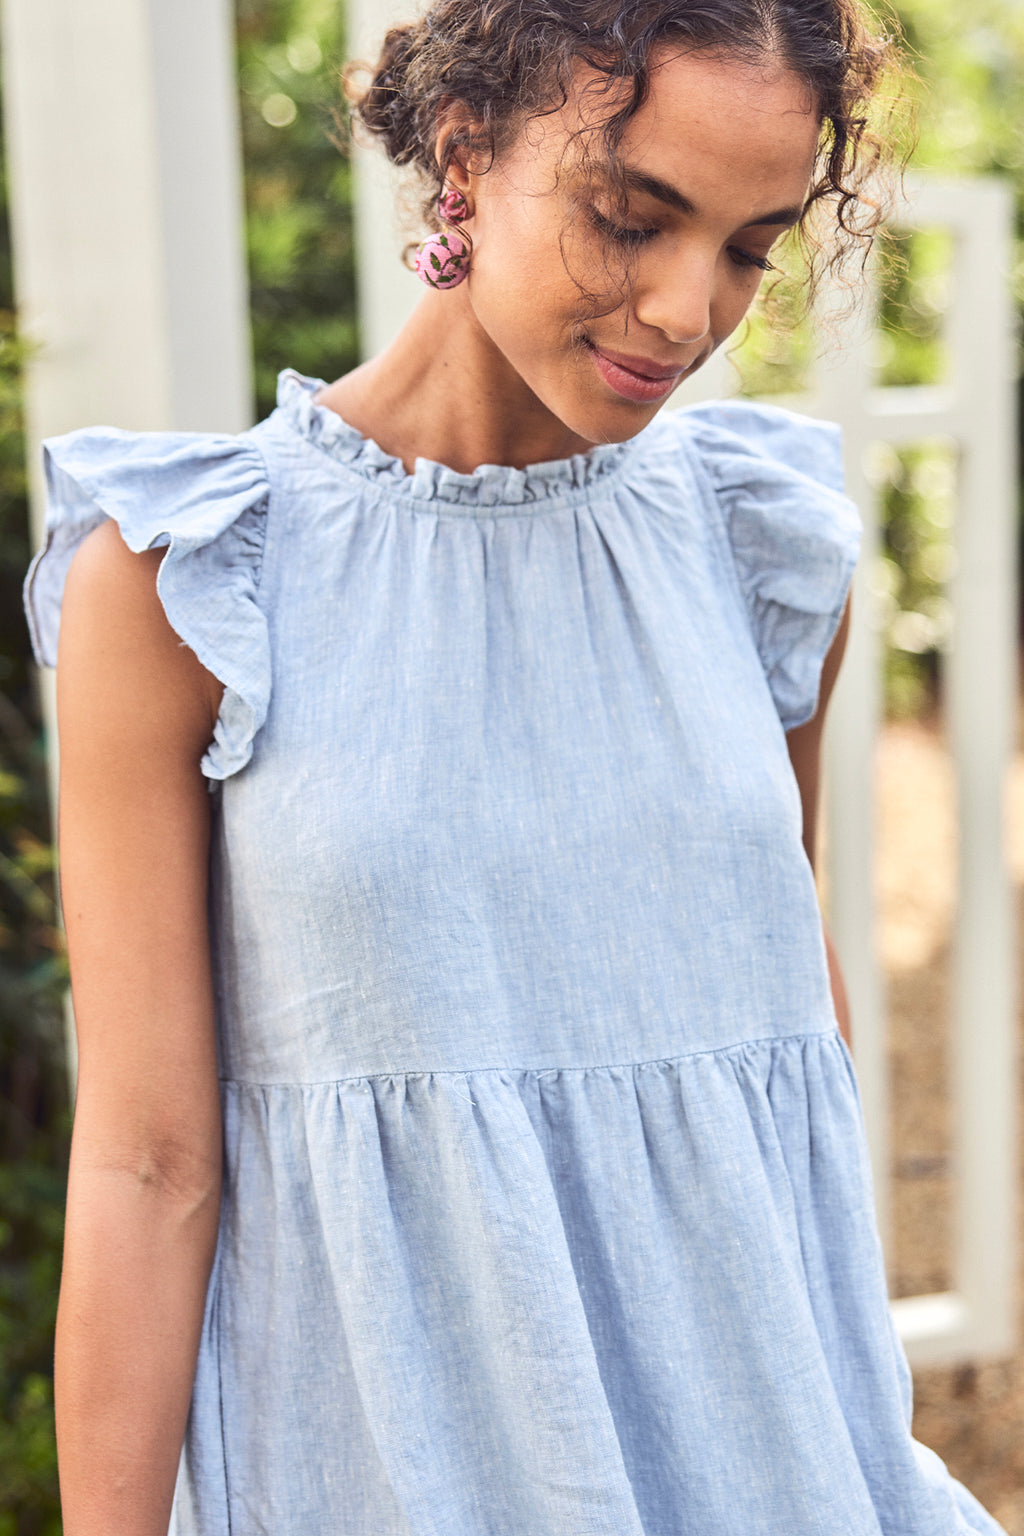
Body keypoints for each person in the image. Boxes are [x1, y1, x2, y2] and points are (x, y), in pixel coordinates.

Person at [21, 2, 1008, 1533]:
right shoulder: (196, 581)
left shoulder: (759, 543)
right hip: (391, 1472)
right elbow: (149, 1168)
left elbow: (777, 1038)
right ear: (464, 152)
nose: (684, 310)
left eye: (748, 250)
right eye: (632, 218)